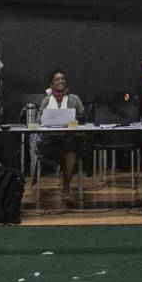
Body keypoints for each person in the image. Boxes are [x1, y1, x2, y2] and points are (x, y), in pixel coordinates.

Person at [33, 69, 87, 201]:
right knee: (63, 146)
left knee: (71, 146)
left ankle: (66, 187)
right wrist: (43, 117)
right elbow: (38, 121)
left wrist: (77, 121)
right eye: (57, 79)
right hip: (50, 140)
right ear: (51, 84)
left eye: (62, 79)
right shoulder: (46, 100)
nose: (61, 81)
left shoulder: (74, 99)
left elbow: (84, 118)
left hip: (69, 138)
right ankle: (65, 186)